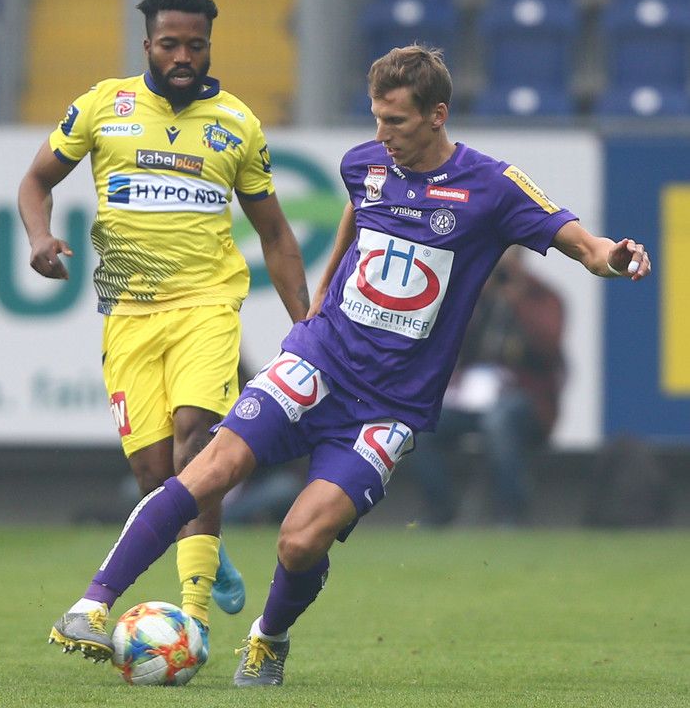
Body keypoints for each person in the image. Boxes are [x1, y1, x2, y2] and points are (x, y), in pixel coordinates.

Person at [45, 45, 651, 685]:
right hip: (319, 361)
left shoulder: (493, 187)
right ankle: (90, 605)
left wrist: (613, 258)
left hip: (389, 405)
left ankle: (268, 637)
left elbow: (583, 244)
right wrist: (316, 300)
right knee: (209, 469)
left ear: (438, 114)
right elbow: (357, 215)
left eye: (397, 121)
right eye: (377, 118)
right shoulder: (364, 164)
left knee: (299, 541)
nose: (382, 135)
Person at [18, 0, 309, 662]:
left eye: (196, 45)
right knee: (157, 478)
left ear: (209, 46)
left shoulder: (236, 123)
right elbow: (36, 182)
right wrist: (39, 237)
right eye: (171, 44)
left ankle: (194, 617)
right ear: (147, 43)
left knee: (195, 440)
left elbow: (275, 234)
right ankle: (209, 551)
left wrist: (307, 327)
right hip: (127, 312)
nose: (184, 57)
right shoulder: (103, 106)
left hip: (207, 305)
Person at [409, 246, 566, 525]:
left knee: (499, 422)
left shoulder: (542, 296)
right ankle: (440, 509)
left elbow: (548, 346)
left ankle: (511, 514)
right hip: (472, 394)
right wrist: (478, 294)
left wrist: (517, 300)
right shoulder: (481, 293)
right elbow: (450, 341)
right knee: (420, 427)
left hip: (523, 396)